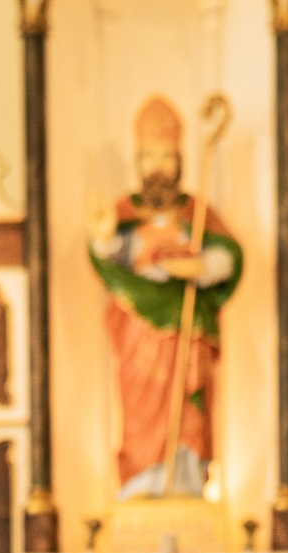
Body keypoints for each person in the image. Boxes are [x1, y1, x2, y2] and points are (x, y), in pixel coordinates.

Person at [89, 95, 243, 499]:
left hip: (186, 332)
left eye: (167, 156)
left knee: (189, 406)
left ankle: (187, 481)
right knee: (141, 408)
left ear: (180, 160)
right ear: (138, 162)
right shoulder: (124, 211)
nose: (159, 166)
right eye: (150, 156)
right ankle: (142, 480)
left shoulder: (195, 211)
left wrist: (199, 266)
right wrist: (105, 237)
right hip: (139, 333)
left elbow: (228, 256)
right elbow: (106, 254)